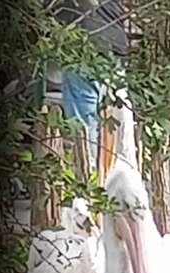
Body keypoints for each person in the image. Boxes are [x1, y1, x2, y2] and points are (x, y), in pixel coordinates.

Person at [50, 0, 127, 168]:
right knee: (113, 120)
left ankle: (88, 177)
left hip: (82, 44)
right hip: (115, 44)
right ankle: (114, 178)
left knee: (83, 125)